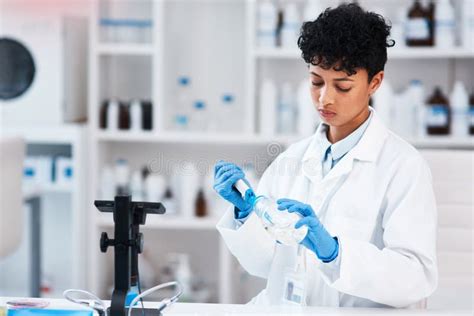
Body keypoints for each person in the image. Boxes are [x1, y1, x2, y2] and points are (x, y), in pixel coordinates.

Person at [213, 3, 437, 308]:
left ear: (375, 82)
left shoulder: (404, 167)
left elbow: (416, 277)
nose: (324, 98)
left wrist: (334, 252)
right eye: (316, 81)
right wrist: (246, 214)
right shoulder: (292, 160)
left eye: (342, 86)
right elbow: (265, 265)